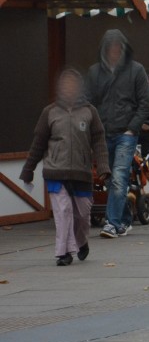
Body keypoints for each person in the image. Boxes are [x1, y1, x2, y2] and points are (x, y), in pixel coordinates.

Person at [20, 69, 109, 266]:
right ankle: (64, 252)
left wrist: (103, 167)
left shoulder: (89, 111)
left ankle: (81, 241)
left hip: (81, 172)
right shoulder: (49, 112)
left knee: (82, 214)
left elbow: (99, 141)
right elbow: (38, 143)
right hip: (55, 171)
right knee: (64, 211)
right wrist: (29, 169)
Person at [85, 29, 149, 239]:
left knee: (119, 176)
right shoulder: (95, 73)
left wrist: (132, 127)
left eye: (117, 47)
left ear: (123, 49)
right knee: (109, 179)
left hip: (126, 134)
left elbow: (146, 103)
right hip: (103, 134)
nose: (114, 51)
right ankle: (123, 219)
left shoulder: (136, 70)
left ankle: (112, 223)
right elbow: (88, 102)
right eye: (110, 47)